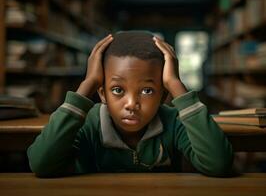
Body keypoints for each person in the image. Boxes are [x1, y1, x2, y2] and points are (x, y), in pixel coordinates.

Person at [27, 31, 233, 177]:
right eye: (118, 90)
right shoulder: (88, 122)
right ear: (102, 94)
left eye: (147, 91)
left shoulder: (173, 122)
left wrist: (176, 84)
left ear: (163, 96)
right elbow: (41, 164)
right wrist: (87, 84)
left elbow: (219, 164)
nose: (132, 104)